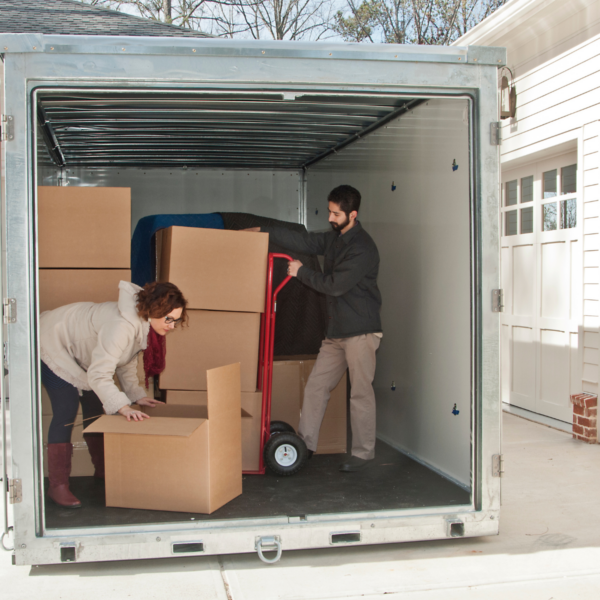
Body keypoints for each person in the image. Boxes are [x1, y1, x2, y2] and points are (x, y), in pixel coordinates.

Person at [247, 185, 382, 472]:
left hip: (360, 332)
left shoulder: (362, 248)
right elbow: (305, 241)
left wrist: (301, 272)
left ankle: (363, 456)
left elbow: (334, 286)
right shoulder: (336, 239)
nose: (331, 218)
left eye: (336, 213)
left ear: (353, 214)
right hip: (336, 333)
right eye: (330, 211)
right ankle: (304, 447)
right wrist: (264, 230)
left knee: (360, 395)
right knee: (316, 388)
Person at [40, 280, 188, 508]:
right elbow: (99, 374)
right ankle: (57, 485)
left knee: (94, 408)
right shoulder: (122, 325)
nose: (172, 325)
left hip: (79, 354)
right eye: (168, 318)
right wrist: (123, 406)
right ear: (155, 310)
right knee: (66, 408)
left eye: (176, 320)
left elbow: (124, 360)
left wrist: (135, 395)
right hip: (50, 342)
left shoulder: (140, 321)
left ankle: (103, 470)